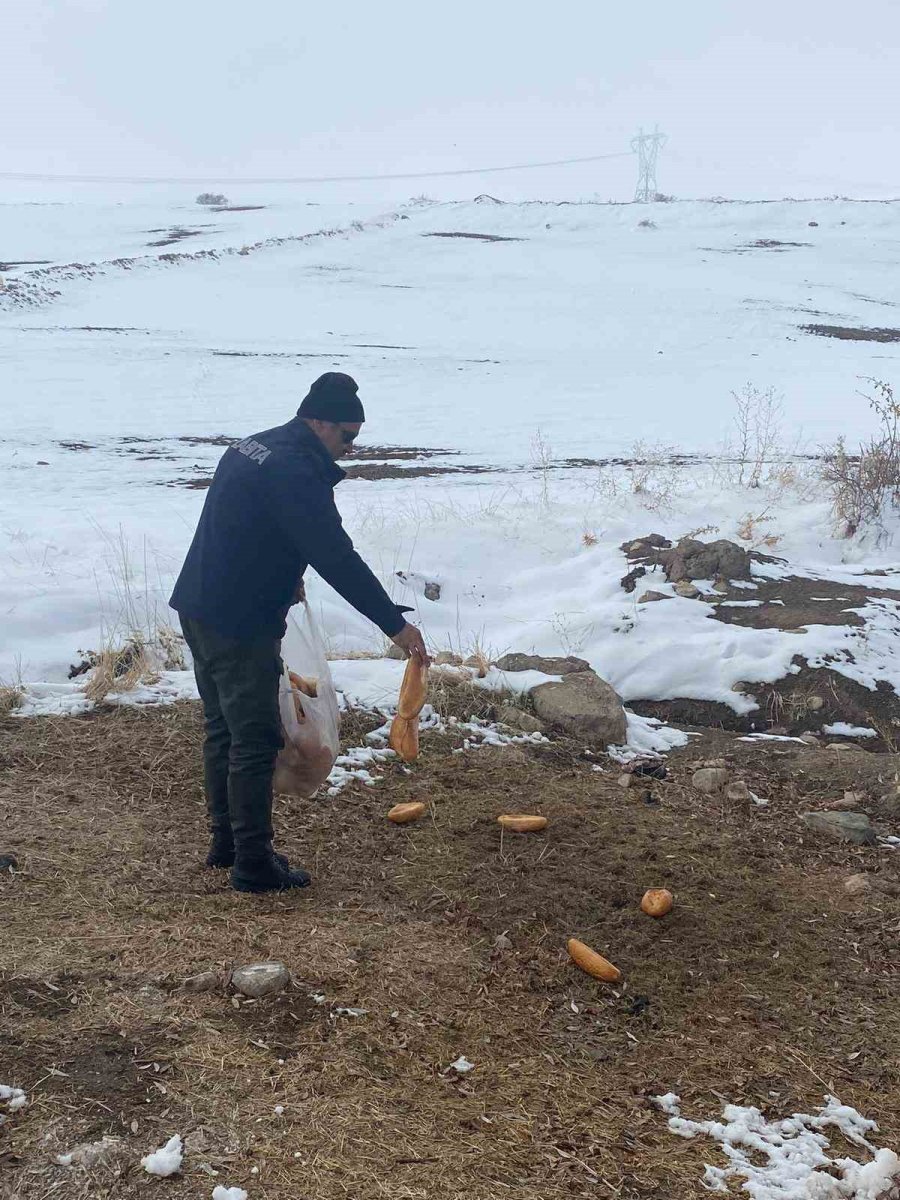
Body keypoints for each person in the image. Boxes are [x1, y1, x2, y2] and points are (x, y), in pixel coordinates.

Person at [170, 372, 428, 894]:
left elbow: (244, 523)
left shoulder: (256, 446)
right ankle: (253, 865)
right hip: (238, 621)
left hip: (199, 602)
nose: (351, 449)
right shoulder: (293, 470)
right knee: (256, 739)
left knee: (223, 729)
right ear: (317, 421)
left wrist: (286, 576)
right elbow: (335, 554)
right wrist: (394, 624)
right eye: (346, 437)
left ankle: (226, 844)